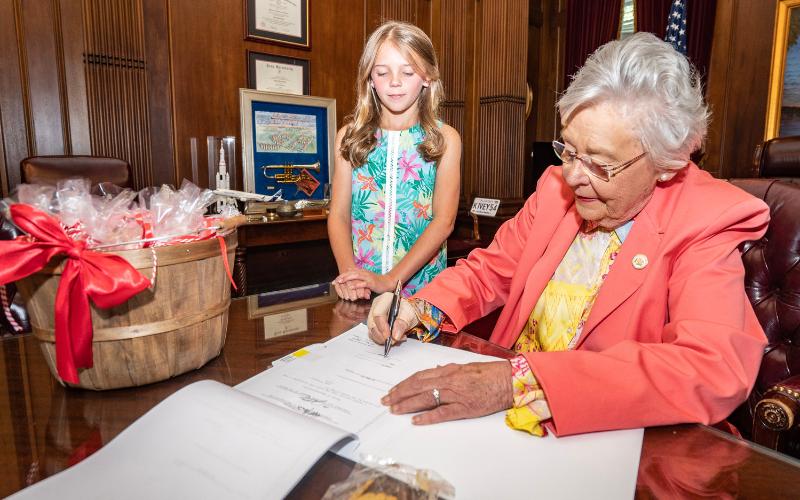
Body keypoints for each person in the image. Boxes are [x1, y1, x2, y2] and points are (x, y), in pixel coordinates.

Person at [367, 32, 771, 437]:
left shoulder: (706, 218)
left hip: (610, 434)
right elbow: (488, 272)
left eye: (600, 164)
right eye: (570, 150)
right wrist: (421, 308)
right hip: (500, 424)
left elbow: (712, 366)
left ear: (668, 162)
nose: (573, 176)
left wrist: (518, 382)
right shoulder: (554, 188)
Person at [328, 21, 461, 302]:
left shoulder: (445, 139)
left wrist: (390, 280)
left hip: (422, 295)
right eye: (382, 72)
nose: (395, 82)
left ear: (427, 76)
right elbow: (338, 214)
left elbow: (444, 221)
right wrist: (350, 275)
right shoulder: (348, 137)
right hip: (361, 291)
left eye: (407, 71)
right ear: (370, 79)